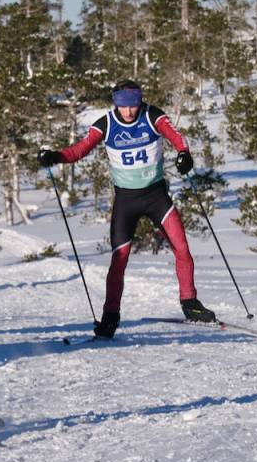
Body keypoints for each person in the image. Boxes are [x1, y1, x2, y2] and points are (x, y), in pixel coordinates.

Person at [38, 79, 215, 338]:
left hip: (156, 197)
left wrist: (183, 153)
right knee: (118, 262)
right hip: (126, 202)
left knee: (182, 248)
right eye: (124, 107)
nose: (130, 111)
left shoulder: (152, 115)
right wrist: (55, 156)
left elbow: (176, 136)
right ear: (116, 104)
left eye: (133, 105)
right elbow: (78, 151)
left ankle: (190, 303)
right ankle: (110, 317)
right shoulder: (107, 124)